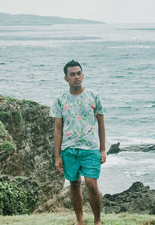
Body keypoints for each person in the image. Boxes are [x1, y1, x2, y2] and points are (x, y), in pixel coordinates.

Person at [50, 60, 106, 225]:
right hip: (69, 149)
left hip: (90, 149)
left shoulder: (94, 96)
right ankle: (80, 221)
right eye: (72, 74)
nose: (77, 77)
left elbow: (101, 123)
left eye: (79, 73)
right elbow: (57, 129)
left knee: (91, 184)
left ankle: (97, 221)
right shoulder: (60, 99)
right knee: (74, 184)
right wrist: (57, 156)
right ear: (66, 78)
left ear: (83, 75)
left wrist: (103, 150)